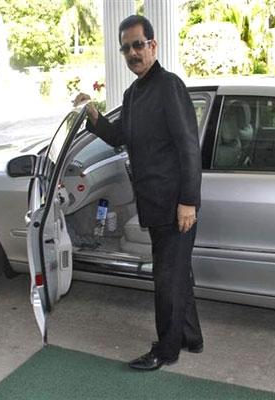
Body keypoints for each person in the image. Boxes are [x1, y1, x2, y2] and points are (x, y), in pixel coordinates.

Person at [75, 15, 203, 371]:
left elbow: (188, 148)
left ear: (153, 46)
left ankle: (166, 350)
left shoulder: (169, 86)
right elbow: (120, 138)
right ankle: (191, 338)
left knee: (167, 280)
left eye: (138, 44)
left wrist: (188, 202)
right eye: (126, 47)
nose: (132, 52)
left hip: (177, 206)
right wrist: (93, 114)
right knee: (178, 276)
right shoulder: (133, 94)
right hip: (155, 205)